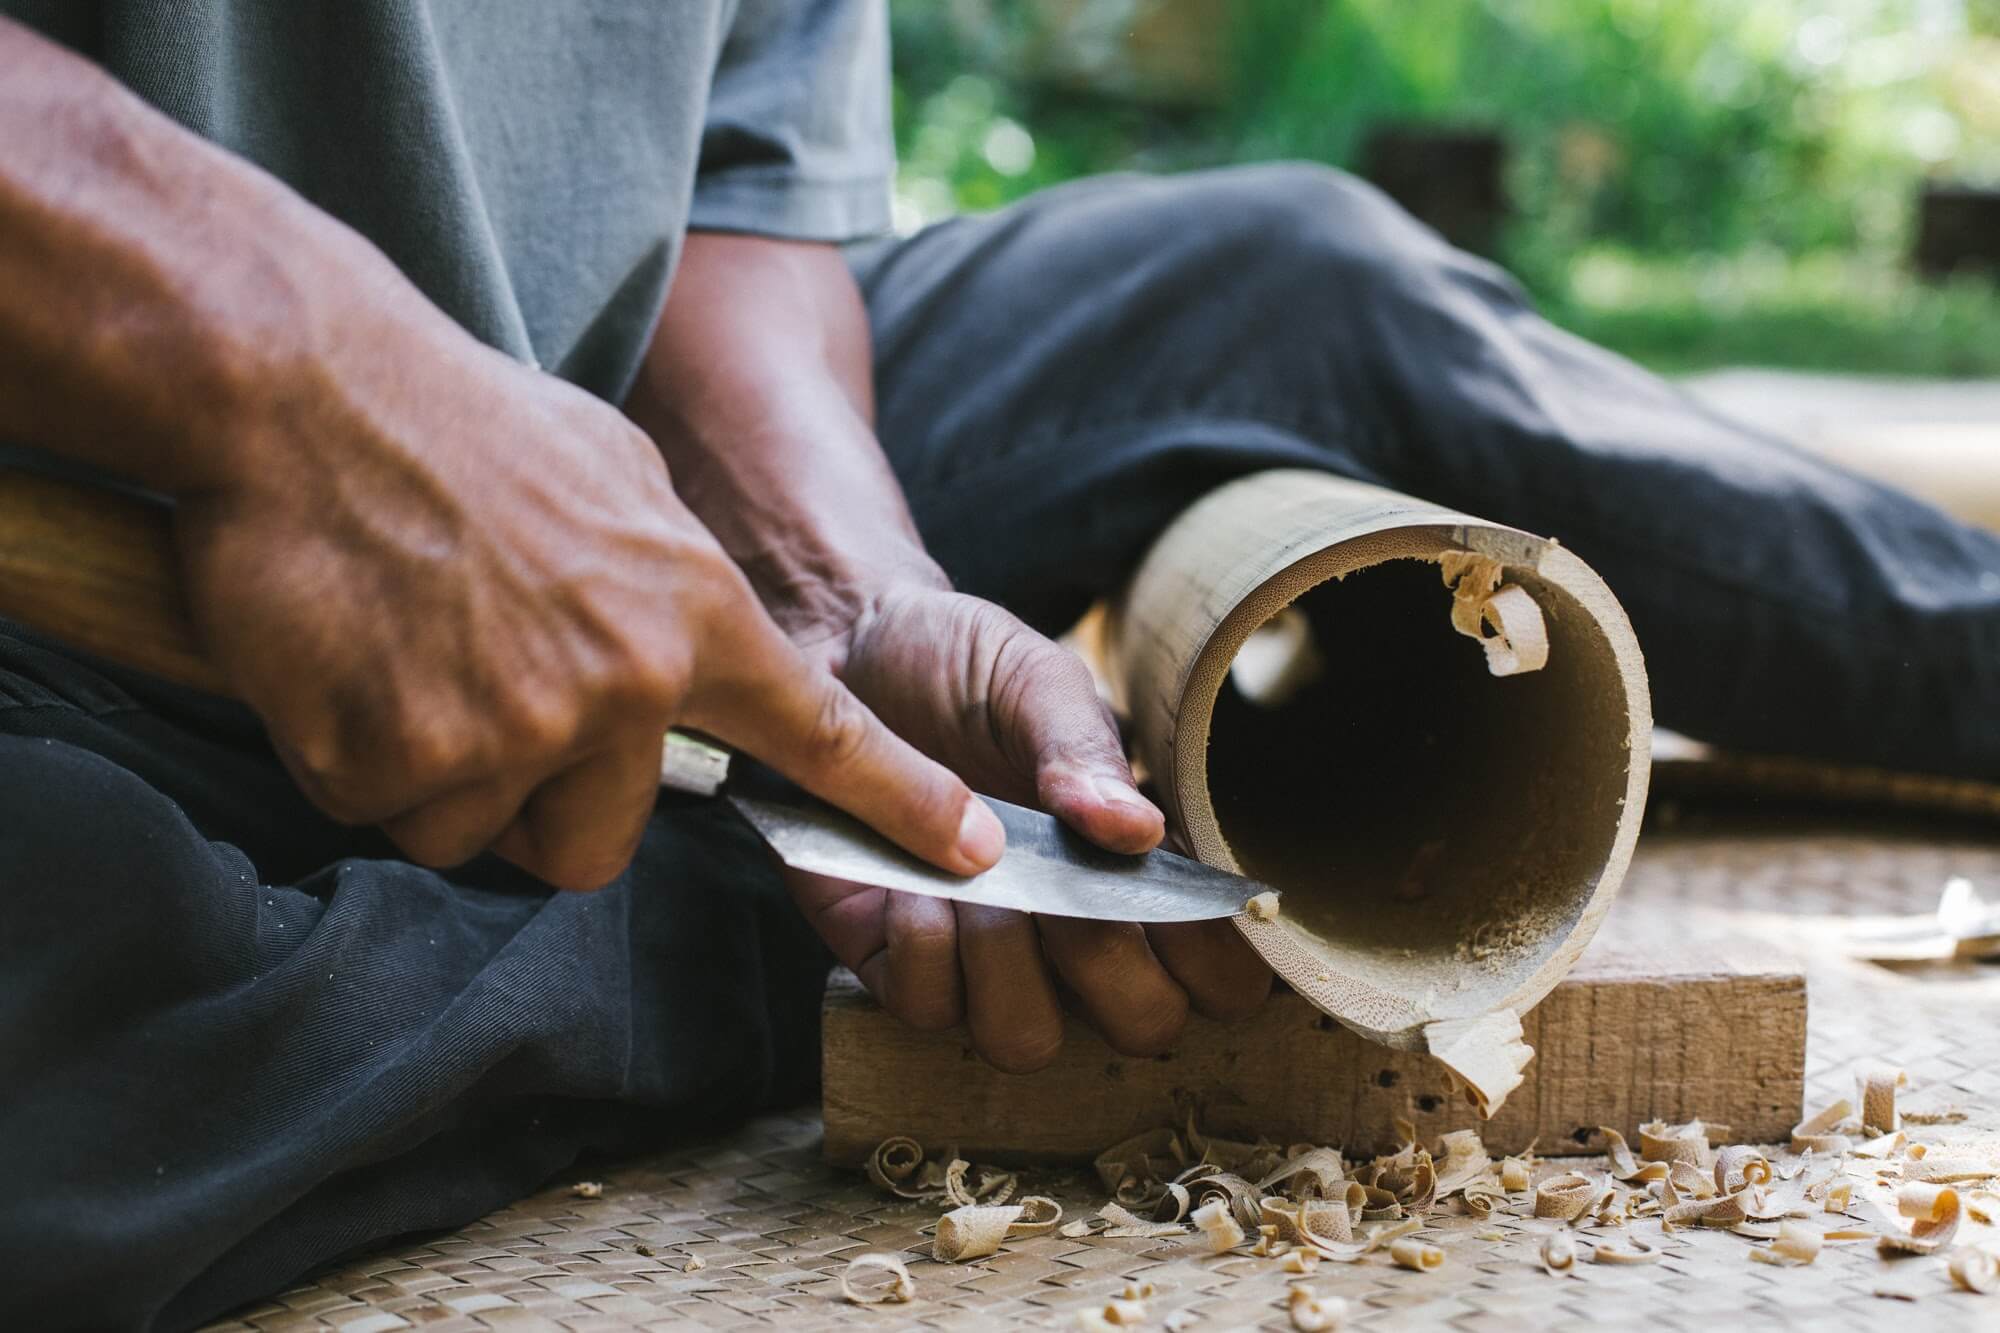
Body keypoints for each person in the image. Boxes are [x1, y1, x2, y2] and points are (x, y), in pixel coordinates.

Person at [1, 4, 1994, 1328]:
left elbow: (732, 194)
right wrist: (302, 380)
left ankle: (693, 884)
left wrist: (838, 595)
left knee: (1285, 287)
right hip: (72, 564)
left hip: (597, 460)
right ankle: (751, 925)